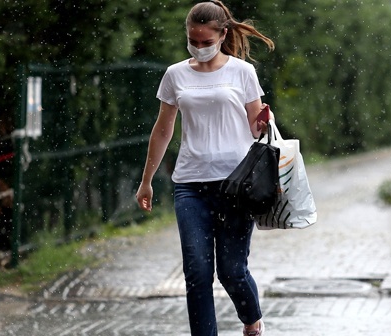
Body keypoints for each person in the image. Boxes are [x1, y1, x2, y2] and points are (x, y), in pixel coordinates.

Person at [135, 1, 275, 335]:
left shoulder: (242, 72)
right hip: (190, 185)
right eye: (193, 41)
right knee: (197, 272)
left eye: (206, 41)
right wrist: (147, 181)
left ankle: (252, 319)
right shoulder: (175, 75)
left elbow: (258, 130)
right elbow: (164, 129)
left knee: (232, 271)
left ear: (222, 34)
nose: (199, 47)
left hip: (236, 185)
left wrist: (263, 122)